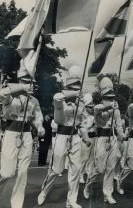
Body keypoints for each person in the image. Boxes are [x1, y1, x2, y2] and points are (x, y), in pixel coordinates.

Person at [0, 67, 45, 208]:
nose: (30, 84)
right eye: (26, 81)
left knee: (23, 173)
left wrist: (40, 127)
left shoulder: (34, 101)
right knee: (7, 172)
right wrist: (21, 88)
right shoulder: (11, 96)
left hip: (26, 135)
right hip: (11, 133)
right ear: (20, 81)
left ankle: (17, 204)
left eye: (31, 82)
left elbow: (37, 117)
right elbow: (2, 93)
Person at [38, 66, 85, 208]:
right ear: (68, 85)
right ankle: (44, 191)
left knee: (76, 169)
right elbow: (57, 99)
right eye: (73, 86)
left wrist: (78, 101)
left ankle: (71, 199)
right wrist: (71, 96)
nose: (76, 89)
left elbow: (80, 120)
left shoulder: (80, 103)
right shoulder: (60, 98)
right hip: (61, 135)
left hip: (75, 136)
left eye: (78, 86)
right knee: (56, 169)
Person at [83, 77, 124, 205]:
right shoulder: (98, 107)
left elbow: (119, 125)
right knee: (99, 168)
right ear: (102, 96)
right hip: (101, 139)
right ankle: (88, 185)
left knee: (111, 167)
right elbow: (97, 110)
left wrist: (121, 135)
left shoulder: (115, 109)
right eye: (107, 96)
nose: (110, 99)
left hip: (112, 139)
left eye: (111, 96)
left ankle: (108, 193)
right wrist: (109, 106)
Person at [79, 93, 97, 184]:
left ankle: (89, 173)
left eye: (92, 107)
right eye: (89, 107)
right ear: (85, 107)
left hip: (94, 137)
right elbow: (85, 127)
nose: (92, 108)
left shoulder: (94, 115)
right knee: (84, 158)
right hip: (86, 139)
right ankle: (81, 174)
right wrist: (93, 122)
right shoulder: (83, 116)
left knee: (92, 158)